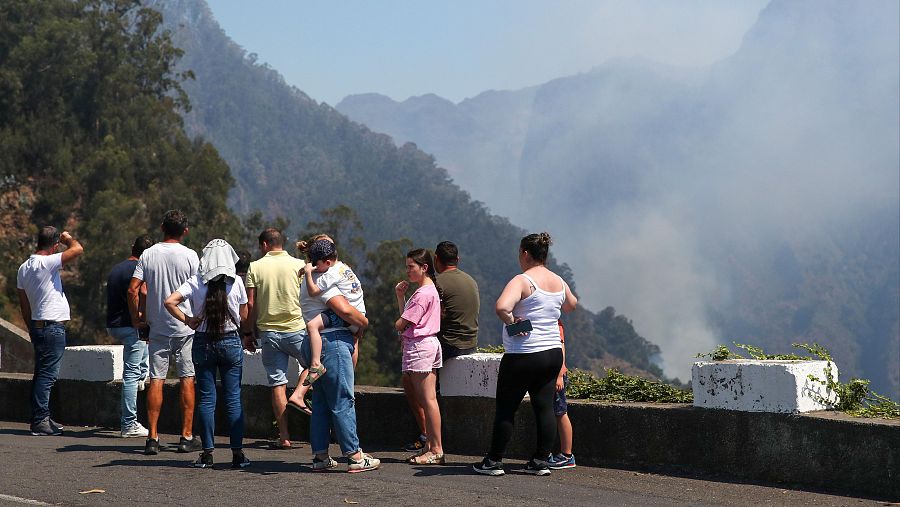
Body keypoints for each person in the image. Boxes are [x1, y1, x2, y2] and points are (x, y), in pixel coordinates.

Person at [473, 232, 577, 476]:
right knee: (545, 408)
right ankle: (540, 461)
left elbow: (502, 306)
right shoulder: (558, 281)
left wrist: (513, 321)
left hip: (523, 354)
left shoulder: (522, 280)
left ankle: (494, 461)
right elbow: (571, 305)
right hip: (552, 353)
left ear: (525, 253)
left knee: (507, 408)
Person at [296, 234, 380, 473]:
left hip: (317, 341)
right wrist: (363, 322)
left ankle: (320, 456)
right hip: (333, 341)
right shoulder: (325, 278)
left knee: (321, 401)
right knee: (343, 399)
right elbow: (345, 310)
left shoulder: (313, 276)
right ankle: (354, 456)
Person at [165, 239, 250, 469]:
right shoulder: (236, 282)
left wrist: (188, 320)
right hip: (230, 341)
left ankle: (207, 453)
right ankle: (237, 454)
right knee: (233, 399)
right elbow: (244, 316)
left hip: (203, 342)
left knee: (206, 399)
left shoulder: (196, 282)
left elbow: (170, 301)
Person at [127, 210, 201, 456]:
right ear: (185, 231)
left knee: (156, 379)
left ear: (162, 227)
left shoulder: (148, 254)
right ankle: (186, 436)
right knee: (187, 378)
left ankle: (152, 437)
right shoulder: (191, 255)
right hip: (185, 326)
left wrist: (136, 318)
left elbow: (133, 289)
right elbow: (198, 289)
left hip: (157, 326)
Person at [401, 241, 480, 453]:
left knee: (410, 380)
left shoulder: (435, 284)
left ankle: (425, 435)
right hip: (470, 343)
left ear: (435, 260)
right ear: (457, 260)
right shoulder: (470, 280)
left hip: (448, 343)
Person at [243, 228, 311, 450]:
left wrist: (249, 332)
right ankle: (300, 395)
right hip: (296, 328)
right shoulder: (298, 265)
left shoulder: (255, 266)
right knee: (315, 365)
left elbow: (250, 303)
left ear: (264, 245)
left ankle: (284, 437)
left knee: (277, 383)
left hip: (269, 333)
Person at [17, 227, 84, 436]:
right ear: (55, 246)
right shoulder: (47, 263)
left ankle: (40, 417)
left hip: (38, 325)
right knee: (47, 376)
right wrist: (68, 238)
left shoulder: (23, 268)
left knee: (40, 374)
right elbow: (78, 249)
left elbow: (24, 306)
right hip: (52, 327)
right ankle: (40, 421)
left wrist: (31, 328)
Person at [395, 249, 445, 465]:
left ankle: (436, 449)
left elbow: (401, 323)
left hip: (420, 347)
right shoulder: (430, 290)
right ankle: (431, 447)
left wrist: (400, 301)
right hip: (429, 344)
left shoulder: (422, 294)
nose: (408, 271)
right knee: (429, 399)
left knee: (427, 400)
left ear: (424, 267)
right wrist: (401, 297)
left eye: (411, 267)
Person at [106, 235, 154, 438]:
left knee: (140, 365)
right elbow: (142, 292)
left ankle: (143, 374)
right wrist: (140, 317)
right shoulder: (140, 270)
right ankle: (129, 423)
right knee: (131, 376)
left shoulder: (117, 268)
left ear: (132, 247)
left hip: (113, 325)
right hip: (130, 326)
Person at [301, 239, 366, 385]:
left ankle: (316, 365)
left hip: (349, 317)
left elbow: (313, 291)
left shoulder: (330, 274)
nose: (314, 267)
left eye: (316, 264)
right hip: (358, 313)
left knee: (312, 326)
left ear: (328, 262)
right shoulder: (343, 267)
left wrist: (308, 273)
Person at [548, 320, 575, 469]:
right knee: (553, 411)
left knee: (560, 412)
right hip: (550, 371)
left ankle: (567, 455)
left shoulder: (555, 324)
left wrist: (559, 375)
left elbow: (560, 348)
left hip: (556, 373)